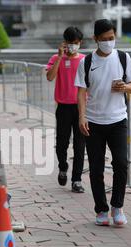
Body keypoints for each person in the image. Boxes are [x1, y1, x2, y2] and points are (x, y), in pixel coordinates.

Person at [75, 19, 131, 226]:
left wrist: (125, 88)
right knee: (96, 168)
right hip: (94, 122)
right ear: (95, 39)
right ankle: (101, 210)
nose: (109, 43)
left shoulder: (123, 57)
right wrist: (82, 117)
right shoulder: (86, 62)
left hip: (118, 119)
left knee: (121, 163)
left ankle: (117, 207)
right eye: (104, 39)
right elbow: (82, 91)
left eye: (111, 38)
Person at [46, 26, 86, 193]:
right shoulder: (57, 58)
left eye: (75, 43)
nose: (72, 46)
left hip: (81, 108)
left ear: (80, 43)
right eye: (70, 43)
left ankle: (76, 180)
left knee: (80, 145)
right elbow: (50, 77)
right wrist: (60, 57)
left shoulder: (85, 60)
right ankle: (63, 167)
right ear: (64, 43)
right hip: (63, 107)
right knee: (61, 144)